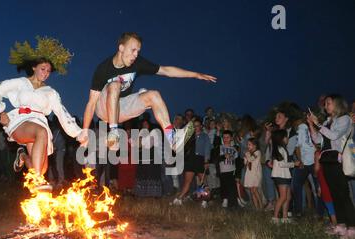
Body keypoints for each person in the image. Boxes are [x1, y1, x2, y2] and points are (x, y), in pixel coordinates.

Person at [78, 32, 217, 151]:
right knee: (115, 85)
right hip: (103, 109)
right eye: (133, 50)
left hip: (122, 107)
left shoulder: (137, 63)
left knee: (154, 95)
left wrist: (196, 74)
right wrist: (85, 132)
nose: (135, 55)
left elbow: (166, 70)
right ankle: (113, 134)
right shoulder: (103, 69)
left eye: (138, 51)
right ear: (121, 48)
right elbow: (91, 103)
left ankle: (172, 138)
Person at [0, 37, 83, 192]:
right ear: (34, 67)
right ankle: (37, 182)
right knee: (41, 134)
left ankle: (23, 156)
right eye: (42, 69)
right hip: (21, 121)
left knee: (41, 168)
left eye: (49, 71)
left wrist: (79, 133)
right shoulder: (21, 83)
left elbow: (62, 114)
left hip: (39, 123)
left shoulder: (51, 92)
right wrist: (0, 112)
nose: (45, 74)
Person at [308, 94, 355, 239]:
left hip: (338, 160)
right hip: (326, 160)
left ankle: (352, 228)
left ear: (338, 104)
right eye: (325, 103)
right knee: (334, 194)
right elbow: (317, 140)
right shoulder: (328, 121)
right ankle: (340, 225)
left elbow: (334, 136)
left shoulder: (344, 119)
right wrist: (312, 125)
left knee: (343, 194)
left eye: (329, 103)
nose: (326, 105)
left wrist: (319, 124)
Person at [171, 119, 211, 207]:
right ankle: (179, 199)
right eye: (194, 126)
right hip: (190, 160)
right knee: (187, 181)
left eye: (197, 125)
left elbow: (207, 150)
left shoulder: (205, 136)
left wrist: (206, 161)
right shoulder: (189, 136)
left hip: (200, 159)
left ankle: (205, 200)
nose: (196, 127)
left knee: (203, 182)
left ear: (201, 126)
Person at [271, 130, 300, 224]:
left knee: (288, 197)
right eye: (286, 137)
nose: (288, 139)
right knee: (283, 197)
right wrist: (294, 164)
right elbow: (282, 164)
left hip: (285, 175)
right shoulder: (280, 149)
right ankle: (274, 218)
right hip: (281, 175)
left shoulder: (282, 148)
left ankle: (285, 217)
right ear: (282, 138)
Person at [218, 130, 238, 209]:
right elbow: (216, 158)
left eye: (228, 137)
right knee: (223, 186)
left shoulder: (234, 149)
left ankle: (232, 203)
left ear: (231, 138)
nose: (226, 139)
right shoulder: (220, 147)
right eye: (224, 137)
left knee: (232, 187)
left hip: (232, 170)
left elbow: (237, 160)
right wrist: (223, 156)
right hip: (222, 170)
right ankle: (225, 199)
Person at [244, 138, 263, 210]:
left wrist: (247, 155)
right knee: (252, 191)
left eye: (249, 145)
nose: (248, 146)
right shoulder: (248, 153)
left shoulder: (257, 152)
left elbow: (250, 159)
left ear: (254, 146)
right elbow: (245, 163)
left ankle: (261, 206)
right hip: (250, 173)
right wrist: (246, 156)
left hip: (256, 174)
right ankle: (257, 208)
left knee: (254, 190)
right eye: (247, 144)